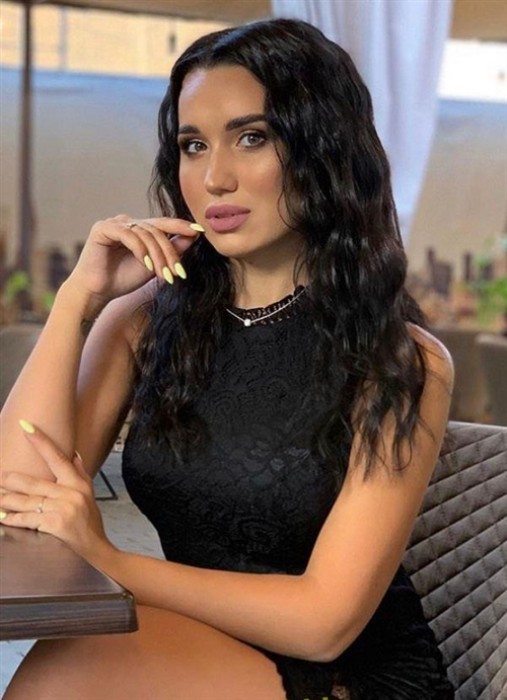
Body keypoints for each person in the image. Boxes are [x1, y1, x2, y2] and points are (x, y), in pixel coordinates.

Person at [0, 18, 455, 700]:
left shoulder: (400, 360)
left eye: (252, 137)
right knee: (67, 662)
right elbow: (15, 501)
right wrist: (76, 301)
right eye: (193, 145)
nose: (214, 178)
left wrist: (110, 558)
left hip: (344, 675)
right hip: (204, 640)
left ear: (322, 149)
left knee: (68, 671)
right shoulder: (144, 321)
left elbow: (323, 625)